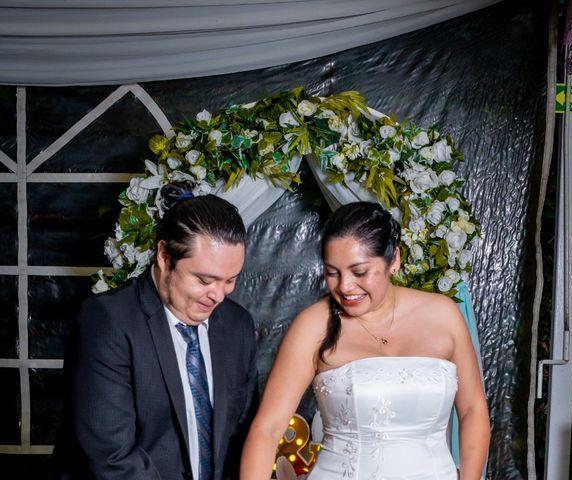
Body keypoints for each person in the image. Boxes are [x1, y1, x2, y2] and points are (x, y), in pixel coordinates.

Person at [240, 201, 490, 480]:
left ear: (393, 259)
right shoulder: (313, 326)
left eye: (359, 272)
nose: (345, 287)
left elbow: (472, 409)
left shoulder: (443, 314)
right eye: (332, 273)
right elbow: (268, 429)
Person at [51, 181, 258, 480]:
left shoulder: (238, 325)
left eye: (230, 280)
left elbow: (242, 434)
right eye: (204, 279)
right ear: (164, 256)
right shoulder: (108, 321)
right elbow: (112, 458)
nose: (218, 295)